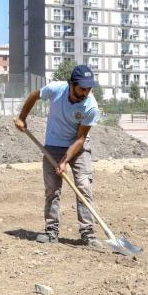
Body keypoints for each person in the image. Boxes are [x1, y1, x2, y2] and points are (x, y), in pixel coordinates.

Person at [14, 64, 100, 246]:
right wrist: (22, 117)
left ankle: (88, 233)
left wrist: (65, 161)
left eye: (89, 88)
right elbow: (34, 95)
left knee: (84, 186)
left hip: (78, 147)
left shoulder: (90, 106)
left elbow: (81, 139)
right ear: (71, 83)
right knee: (52, 190)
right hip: (53, 145)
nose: (85, 92)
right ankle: (51, 231)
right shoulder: (55, 89)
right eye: (82, 88)